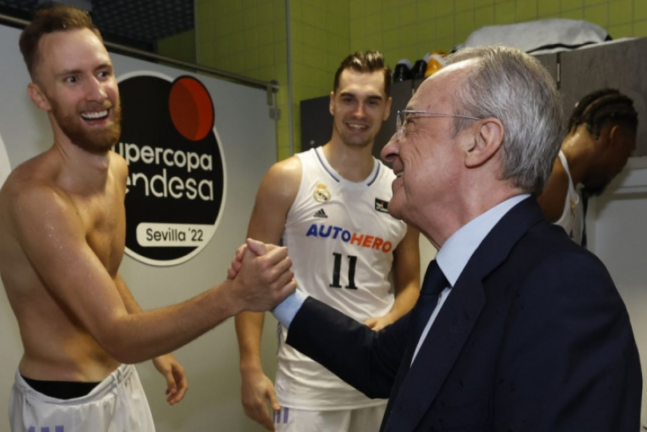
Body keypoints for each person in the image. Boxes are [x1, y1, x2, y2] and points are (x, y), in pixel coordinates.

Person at [232, 46, 642, 431]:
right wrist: (280, 296)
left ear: (480, 142)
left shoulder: (565, 286)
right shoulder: (464, 272)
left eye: (410, 123)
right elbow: (375, 361)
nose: (389, 148)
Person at [0, 6, 296, 432]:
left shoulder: (116, 170)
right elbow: (118, 334)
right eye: (72, 79)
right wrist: (235, 295)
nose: (97, 93)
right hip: (64, 405)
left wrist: (156, 350)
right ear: (41, 96)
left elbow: (102, 270)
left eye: (102, 72)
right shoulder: (38, 201)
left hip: (121, 378)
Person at [234, 51, 421, 432]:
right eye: (349, 98)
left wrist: (390, 319)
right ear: (333, 101)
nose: (359, 112)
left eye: (372, 102)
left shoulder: (401, 190)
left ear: (388, 108)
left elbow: (410, 284)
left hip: (378, 382)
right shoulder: (287, 178)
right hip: (306, 389)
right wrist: (249, 366)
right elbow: (249, 283)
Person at [537, 88, 638, 246]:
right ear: (615, 137)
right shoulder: (553, 178)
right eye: (626, 153)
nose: (620, 168)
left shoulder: (568, 184)